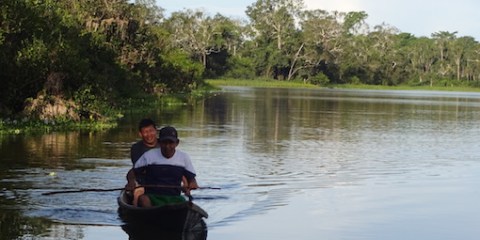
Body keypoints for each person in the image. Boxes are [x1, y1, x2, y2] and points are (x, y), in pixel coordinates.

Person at [129, 126, 199, 207]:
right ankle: (152, 216)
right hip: (152, 197)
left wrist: (193, 183)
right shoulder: (149, 156)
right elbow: (132, 172)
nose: (167, 146)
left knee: (185, 204)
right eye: (164, 143)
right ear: (159, 142)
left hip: (174, 198)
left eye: (171, 143)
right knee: (143, 199)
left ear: (177, 143)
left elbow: (191, 178)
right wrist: (131, 182)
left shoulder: (184, 157)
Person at [125, 118, 160, 206]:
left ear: (156, 131)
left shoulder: (164, 144)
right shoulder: (136, 148)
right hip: (143, 181)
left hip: (163, 181)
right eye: (145, 132)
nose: (149, 135)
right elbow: (139, 169)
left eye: (151, 131)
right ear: (140, 134)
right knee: (138, 193)